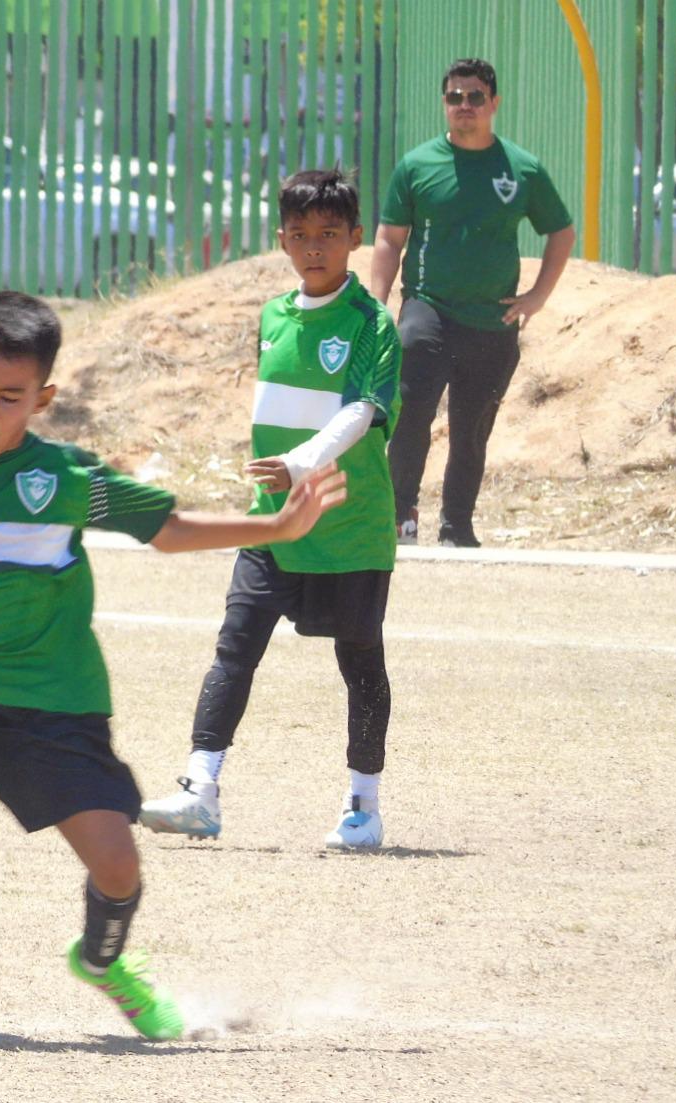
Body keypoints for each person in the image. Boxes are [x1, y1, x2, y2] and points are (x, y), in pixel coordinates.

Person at [0, 290, 347, 1057]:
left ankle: (102, 959)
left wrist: (275, 525)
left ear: (42, 397)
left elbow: (168, 527)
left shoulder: (68, 477)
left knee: (117, 861)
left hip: (55, 703)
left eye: (9, 397)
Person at [139, 169, 401, 853]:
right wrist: (279, 477)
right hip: (272, 520)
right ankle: (201, 788)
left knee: (360, 661)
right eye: (301, 234)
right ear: (282, 238)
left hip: (349, 524)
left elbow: (361, 411)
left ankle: (362, 806)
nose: (314, 247)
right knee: (236, 644)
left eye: (329, 235)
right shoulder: (274, 314)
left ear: (352, 239)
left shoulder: (372, 322)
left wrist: (302, 464)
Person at [370, 57, 575, 548]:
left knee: (471, 428)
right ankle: (400, 516)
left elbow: (561, 232)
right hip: (428, 308)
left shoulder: (521, 169)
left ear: (494, 103)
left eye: (475, 97)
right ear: (444, 104)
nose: (464, 106)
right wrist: (378, 303)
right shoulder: (417, 165)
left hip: (493, 318)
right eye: (455, 97)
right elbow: (389, 239)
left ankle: (456, 526)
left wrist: (537, 297)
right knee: (412, 408)